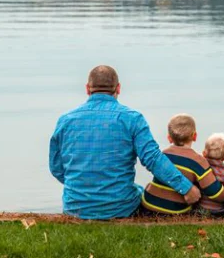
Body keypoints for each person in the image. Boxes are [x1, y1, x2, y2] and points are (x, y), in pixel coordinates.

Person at [49, 66, 201, 219]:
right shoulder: (132, 119)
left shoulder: (65, 121)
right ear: (119, 88)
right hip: (120, 208)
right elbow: (153, 159)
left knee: (137, 189)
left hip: (75, 207)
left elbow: (56, 168)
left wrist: (84, 186)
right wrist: (186, 188)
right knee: (141, 191)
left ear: (87, 89)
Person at [141, 114, 224, 216]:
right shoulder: (198, 161)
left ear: (169, 138)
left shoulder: (162, 155)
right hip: (175, 211)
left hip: (148, 205)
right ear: (195, 136)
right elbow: (214, 192)